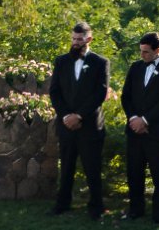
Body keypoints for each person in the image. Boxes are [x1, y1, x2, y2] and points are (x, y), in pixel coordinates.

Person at [47, 22, 111, 219]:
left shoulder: (101, 62)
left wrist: (79, 115)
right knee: (66, 166)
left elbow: (99, 93)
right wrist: (66, 115)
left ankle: (96, 207)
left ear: (89, 39)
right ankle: (62, 203)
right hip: (66, 124)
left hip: (90, 124)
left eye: (79, 39)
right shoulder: (61, 61)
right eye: (73, 39)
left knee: (92, 167)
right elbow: (55, 92)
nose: (75, 42)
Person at [120, 32, 159, 221]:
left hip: (156, 131)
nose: (142, 55)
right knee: (134, 172)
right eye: (141, 51)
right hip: (134, 130)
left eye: (146, 52)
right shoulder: (136, 67)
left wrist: (145, 120)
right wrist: (134, 119)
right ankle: (136, 209)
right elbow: (126, 96)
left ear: (158, 50)